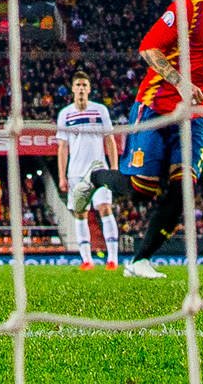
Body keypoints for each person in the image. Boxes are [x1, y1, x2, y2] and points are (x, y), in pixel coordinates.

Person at [87, 0, 203, 279]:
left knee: (183, 187)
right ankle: (95, 177)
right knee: (142, 188)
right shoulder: (190, 7)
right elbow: (148, 47)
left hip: (196, 115)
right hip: (157, 105)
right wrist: (180, 81)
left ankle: (139, 261)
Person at [56, 70, 121, 270]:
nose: (82, 88)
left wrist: (114, 168)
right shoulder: (65, 114)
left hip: (99, 170)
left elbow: (109, 139)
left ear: (90, 89)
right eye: (78, 85)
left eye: (85, 85)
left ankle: (112, 259)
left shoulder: (100, 110)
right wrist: (62, 176)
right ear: (73, 89)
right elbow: (63, 147)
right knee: (80, 213)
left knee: (104, 208)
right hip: (76, 172)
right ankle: (87, 260)